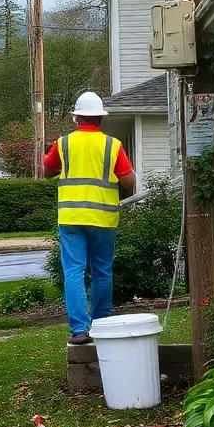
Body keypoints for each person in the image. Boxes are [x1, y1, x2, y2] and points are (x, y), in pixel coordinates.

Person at [44, 91, 136, 345]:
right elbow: (129, 181)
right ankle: (101, 326)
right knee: (102, 272)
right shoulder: (112, 145)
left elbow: (47, 171)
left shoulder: (63, 144)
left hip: (72, 218)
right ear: (101, 119)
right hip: (103, 219)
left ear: (76, 118)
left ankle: (79, 331)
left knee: (74, 271)